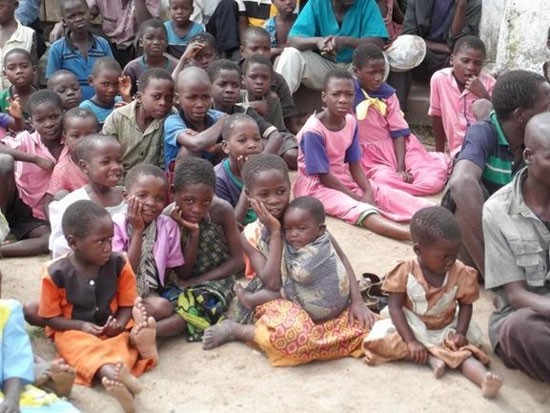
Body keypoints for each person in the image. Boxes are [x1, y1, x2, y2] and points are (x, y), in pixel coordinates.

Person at [202, 153, 376, 366]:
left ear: (290, 187)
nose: (274, 200)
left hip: (315, 296)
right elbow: (272, 282)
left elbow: (340, 258)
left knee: (370, 326)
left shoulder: (303, 219)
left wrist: (357, 301)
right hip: (278, 297)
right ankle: (239, 331)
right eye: (264, 194)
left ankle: (315, 338)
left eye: (281, 191)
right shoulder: (250, 234)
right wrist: (275, 232)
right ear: (249, 194)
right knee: (295, 337)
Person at [363, 206, 502, 398]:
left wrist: (461, 333)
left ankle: (483, 379)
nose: (450, 261)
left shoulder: (460, 272)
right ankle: (429, 357)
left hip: (445, 327)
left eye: (455, 254)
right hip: (411, 324)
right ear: (418, 250)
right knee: (382, 340)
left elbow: (466, 305)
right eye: (444, 256)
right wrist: (411, 340)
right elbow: (394, 307)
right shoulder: (406, 270)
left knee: (462, 352)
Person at [38, 200, 158, 413]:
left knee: (122, 344)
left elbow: (126, 304)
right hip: (73, 330)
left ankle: (121, 376)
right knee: (79, 349)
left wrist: (119, 325)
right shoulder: (55, 274)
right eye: (100, 242)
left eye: (110, 239)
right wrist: (80, 326)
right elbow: (49, 318)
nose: (108, 247)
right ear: (73, 243)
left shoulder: (119, 263)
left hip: (111, 328)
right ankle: (113, 377)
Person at [443, 70, 550, 275]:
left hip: (516, 230)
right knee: (463, 199)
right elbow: (461, 183)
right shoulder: (485, 132)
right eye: (547, 108)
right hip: (480, 242)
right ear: (520, 116)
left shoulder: (535, 142)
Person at [294, 69, 421, 240]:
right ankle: (413, 235)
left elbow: (354, 164)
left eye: (349, 95)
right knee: (360, 209)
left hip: (341, 179)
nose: (343, 100)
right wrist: (357, 198)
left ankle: (436, 213)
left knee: (383, 193)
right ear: (324, 97)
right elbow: (324, 177)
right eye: (336, 94)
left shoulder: (351, 122)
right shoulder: (313, 131)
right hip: (316, 188)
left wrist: (367, 190)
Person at [483, 112, 550, 383]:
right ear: (529, 156)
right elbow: (516, 295)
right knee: (519, 330)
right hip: (531, 313)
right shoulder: (497, 211)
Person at [236, 195, 352, 326]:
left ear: (320, 230)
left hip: (323, 306)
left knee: (279, 291)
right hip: (337, 300)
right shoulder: (310, 231)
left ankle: (250, 300)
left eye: (301, 229)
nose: (293, 234)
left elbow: (294, 275)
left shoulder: (317, 248)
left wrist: (275, 236)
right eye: (287, 229)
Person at [163, 157, 243, 341]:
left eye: (206, 202)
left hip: (217, 279)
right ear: (174, 192)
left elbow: (237, 260)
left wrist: (197, 281)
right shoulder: (168, 218)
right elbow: (183, 274)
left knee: (205, 303)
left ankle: (159, 329)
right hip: (181, 281)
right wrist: (194, 234)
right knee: (166, 302)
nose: (198, 209)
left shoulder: (222, 210)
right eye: (189, 201)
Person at [352, 43, 450, 196]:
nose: (378, 78)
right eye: (372, 73)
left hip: (398, 148)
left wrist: (401, 168)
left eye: (382, 72)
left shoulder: (388, 95)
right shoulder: (349, 95)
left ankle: (398, 185)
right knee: (383, 178)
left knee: (431, 182)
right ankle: (393, 188)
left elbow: (398, 132)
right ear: (356, 71)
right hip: (367, 157)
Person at [111, 164, 186, 338]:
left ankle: (136, 332)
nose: (151, 203)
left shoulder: (168, 226)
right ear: (125, 196)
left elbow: (167, 272)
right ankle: (134, 328)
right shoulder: (114, 226)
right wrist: (137, 230)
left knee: (166, 308)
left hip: (146, 297)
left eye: (159, 198)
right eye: (142, 195)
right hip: (116, 296)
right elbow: (125, 271)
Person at [0, 90, 66, 257]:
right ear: (31, 122)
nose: (49, 123)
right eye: (40, 120)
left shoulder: (72, 140)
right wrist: (34, 159)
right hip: (21, 204)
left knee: (50, 240)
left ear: (63, 114)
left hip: (47, 213)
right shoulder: (26, 140)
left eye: (54, 116)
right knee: (4, 161)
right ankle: (1, 225)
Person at [275, 0, 387, 94]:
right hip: (324, 67)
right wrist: (317, 41)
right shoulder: (317, 2)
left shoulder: (367, 3)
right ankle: (280, 110)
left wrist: (345, 41)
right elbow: (293, 39)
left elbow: (378, 43)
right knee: (290, 54)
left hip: (355, 68)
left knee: (382, 59)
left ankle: (373, 110)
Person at [389, 0, 481, 109]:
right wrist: (445, 48)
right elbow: (409, 36)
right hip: (422, 57)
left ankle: (458, 117)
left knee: (465, 62)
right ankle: (397, 116)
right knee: (401, 50)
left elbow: (462, 46)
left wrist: (461, 6)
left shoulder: (473, 4)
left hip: (449, 62)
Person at [48, 134, 125, 258]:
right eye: (105, 162)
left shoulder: (129, 199)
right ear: (84, 167)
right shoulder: (70, 205)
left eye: (119, 161)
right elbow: (58, 251)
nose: (116, 167)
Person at [429, 35, 496, 156]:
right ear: (452, 60)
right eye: (465, 61)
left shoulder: (489, 83)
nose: (471, 68)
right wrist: (440, 154)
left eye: (477, 63)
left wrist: (483, 94)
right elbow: (437, 116)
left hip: (483, 147)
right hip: (456, 150)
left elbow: (498, 121)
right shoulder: (440, 79)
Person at [208, 59, 288, 159]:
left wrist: (261, 161)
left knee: (258, 143)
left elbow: (276, 136)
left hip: (239, 164)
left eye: (235, 85)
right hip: (209, 164)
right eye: (223, 84)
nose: (230, 90)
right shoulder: (203, 113)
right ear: (209, 86)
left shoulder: (244, 112)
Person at [103, 68, 175, 175]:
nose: (163, 103)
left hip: (153, 182)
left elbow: (164, 163)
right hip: (119, 181)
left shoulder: (171, 117)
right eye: (156, 97)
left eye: (168, 98)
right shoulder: (117, 118)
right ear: (139, 97)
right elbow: (107, 158)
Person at [50, 0, 162, 68]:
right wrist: (60, 24)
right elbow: (82, 12)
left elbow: (147, 25)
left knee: (148, 38)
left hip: (136, 46)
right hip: (109, 43)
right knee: (80, 31)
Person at [45, 0, 114, 101]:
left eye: (82, 13)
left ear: (90, 15)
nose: (78, 19)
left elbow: (112, 73)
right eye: (71, 16)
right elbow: (52, 83)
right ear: (64, 22)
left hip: (101, 103)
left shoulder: (102, 44)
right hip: (71, 107)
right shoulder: (57, 49)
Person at [239, 26, 299, 135]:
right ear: (242, 51)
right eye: (254, 49)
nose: (261, 53)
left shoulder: (277, 79)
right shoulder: (231, 75)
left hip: (271, 132)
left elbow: (288, 121)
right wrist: (251, 106)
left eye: (266, 49)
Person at [163, 66, 226, 168]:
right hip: (183, 179)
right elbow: (195, 144)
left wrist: (216, 147)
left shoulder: (216, 116)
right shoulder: (173, 121)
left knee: (230, 147)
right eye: (192, 98)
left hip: (215, 175)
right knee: (189, 151)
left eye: (205, 97)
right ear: (177, 98)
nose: (200, 104)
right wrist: (223, 122)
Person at [43, 107, 99, 212]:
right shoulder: (63, 169)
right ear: (65, 138)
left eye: (89, 135)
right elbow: (49, 202)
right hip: (79, 217)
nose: (83, 140)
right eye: (75, 136)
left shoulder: (105, 161)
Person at [214, 112, 263, 225]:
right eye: (242, 140)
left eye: (256, 139)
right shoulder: (219, 179)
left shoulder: (266, 169)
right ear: (226, 147)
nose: (252, 145)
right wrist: (247, 180)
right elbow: (233, 223)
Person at [122, 19, 177, 96]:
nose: (156, 42)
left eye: (161, 38)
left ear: (167, 42)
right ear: (141, 42)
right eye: (150, 38)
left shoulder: (175, 67)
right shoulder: (132, 68)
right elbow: (125, 94)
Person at [79, 57, 132, 127]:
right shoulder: (87, 107)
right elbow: (90, 135)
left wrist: (127, 98)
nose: (111, 89)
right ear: (91, 81)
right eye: (105, 84)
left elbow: (135, 123)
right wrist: (113, 117)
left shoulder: (121, 101)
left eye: (116, 84)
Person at [240, 54, 285, 131]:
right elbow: (223, 114)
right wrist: (251, 106)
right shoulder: (237, 96)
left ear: (271, 81)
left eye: (265, 77)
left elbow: (278, 130)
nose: (259, 82)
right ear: (243, 79)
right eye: (253, 77)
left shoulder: (272, 100)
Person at [0, 0, 36, 89]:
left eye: (0, 7)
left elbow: (34, 72)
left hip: (18, 97)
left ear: (15, 5)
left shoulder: (28, 35)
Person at [0, 48, 38, 128]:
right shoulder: (1, 98)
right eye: (12, 68)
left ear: (34, 70)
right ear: (5, 74)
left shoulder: (44, 97)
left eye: (24, 66)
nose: (19, 71)